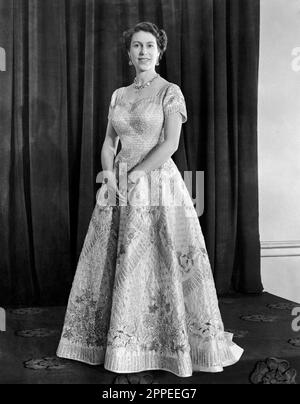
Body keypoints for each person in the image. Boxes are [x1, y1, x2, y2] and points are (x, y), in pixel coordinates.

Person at [56, 21, 244, 378]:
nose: (143, 52)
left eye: (149, 46)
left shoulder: (170, 92)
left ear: (160, 52)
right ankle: (119, 344)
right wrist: (110, 175)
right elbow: (109, 143)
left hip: (156, 180)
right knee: (115, 260)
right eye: (137, 46)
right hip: (119, 184)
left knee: (160, 262)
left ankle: (167, 343)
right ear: (129, 53)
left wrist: (136, 174)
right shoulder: (118, 95)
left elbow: (170, 144)